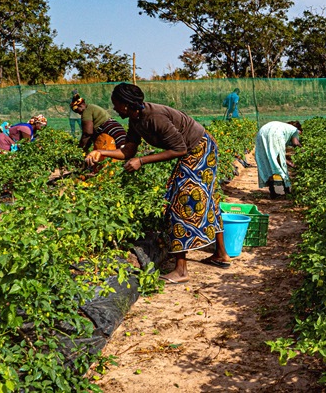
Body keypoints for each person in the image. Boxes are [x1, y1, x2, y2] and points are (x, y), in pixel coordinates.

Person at [85, 83, 229, 284]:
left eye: (116, 104)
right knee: (207, 199)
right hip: (193, 150)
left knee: (180, 203)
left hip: (199, 149)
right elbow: (128, 151)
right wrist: (101, 152)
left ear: (126, 104)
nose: (114, 109)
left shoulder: (154, 117)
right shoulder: (136, 119)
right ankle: (221, 254)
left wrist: (142, 161)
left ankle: (181, 270)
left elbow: (179, 149)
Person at [254, 121, 301, 198]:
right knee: (281, 161)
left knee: (266, 161)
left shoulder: (284, 127)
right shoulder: (295, 130)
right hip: (275, 134)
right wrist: (303, 149)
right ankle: (287, 191)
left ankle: (272, 192)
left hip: (262, 132)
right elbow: (295, 143)